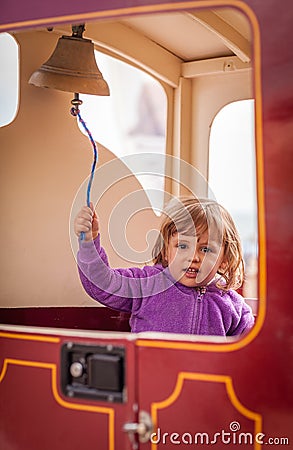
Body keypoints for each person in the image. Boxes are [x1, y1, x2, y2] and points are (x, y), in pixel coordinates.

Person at [74, 196, 254, 336]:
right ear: (167, 250)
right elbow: (103, 285)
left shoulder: (232, 305)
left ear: (224, 259)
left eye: (205, 249)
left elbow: (251, 347)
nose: (193, 257)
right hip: (151, 379)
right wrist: (89, 242)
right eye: (182, 246)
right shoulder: (148, 283)